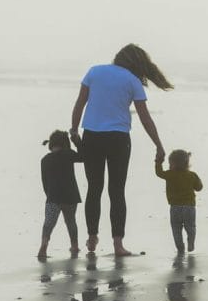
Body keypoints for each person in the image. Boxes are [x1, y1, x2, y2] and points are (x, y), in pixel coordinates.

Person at [70, 44, 172, 256]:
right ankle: (118, 245)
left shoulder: (94, 71)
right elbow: (145, 117)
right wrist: (159, 144)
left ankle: (91, 237)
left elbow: (80, 103)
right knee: (117, 191)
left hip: (92, 136)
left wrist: (73, 129)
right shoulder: (132, 81)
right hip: (118, 139)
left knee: (94, 188)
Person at [38, 130, 84, 259]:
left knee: (49, 223)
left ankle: (44, 244)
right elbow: (83, 157)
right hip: (70, 196)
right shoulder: (68, 154)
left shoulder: (45, 160)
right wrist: (78, 143)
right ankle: (74, 245)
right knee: (71, 222)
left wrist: (49, 195)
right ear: (65, 143)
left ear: (51, 144)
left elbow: (44, 181)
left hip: (53, 196)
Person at [155, 149, 203, 253]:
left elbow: (159, 173)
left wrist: (158, 162)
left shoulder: (170, 174)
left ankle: (180, 247)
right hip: (189, 208)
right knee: (191, 227)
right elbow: (199, 187)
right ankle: (191, 243)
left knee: (176, 229)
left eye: (170, 163)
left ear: (174, 164)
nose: (169, 165)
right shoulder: (192, 175)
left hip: (175, 208)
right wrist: (197, 181)